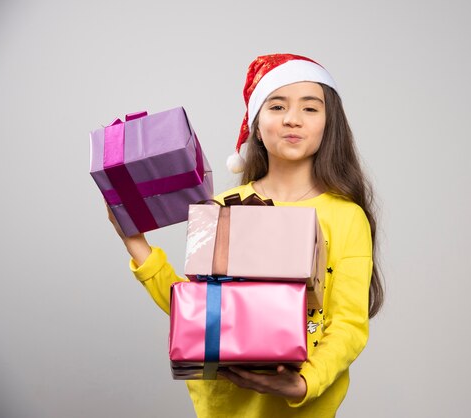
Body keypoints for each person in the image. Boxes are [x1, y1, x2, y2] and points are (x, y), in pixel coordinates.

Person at [107, 53, 384, 418]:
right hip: (223, 407)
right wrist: (136, 244)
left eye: (310, 109)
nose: (292, 119)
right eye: (277, 106)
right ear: (256, 124)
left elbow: (348, 325)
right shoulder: (223, 208)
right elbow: (196, 312)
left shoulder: (346, 218)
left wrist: (303, 382)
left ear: (328, 124)